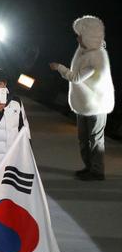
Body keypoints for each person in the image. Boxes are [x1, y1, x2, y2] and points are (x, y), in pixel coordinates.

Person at [49, 15, 113, 181]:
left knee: (95, 140)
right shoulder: (83, 51)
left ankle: (97, 171)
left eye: (80, 35)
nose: (77, 37)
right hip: (85, 104)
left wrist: (59, 68)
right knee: (84, 139)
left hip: (96, 105)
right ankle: (89, 167)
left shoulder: (97, 56)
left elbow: (76, 77)